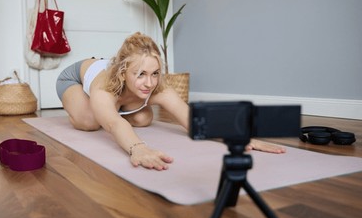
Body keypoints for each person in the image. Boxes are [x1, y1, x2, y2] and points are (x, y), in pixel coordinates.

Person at [55, 32, 285, 171]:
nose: (149, 83)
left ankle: (115, 106)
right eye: (141, 74)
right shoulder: (103, 86)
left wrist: (236, 135)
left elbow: (192, 120)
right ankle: (91, 106)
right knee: (91, 121)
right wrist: (138, 148)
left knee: (143, 118)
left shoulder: (156, 85)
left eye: (154, 73)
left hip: (119, 90)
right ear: (124, 71)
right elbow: (115, 124)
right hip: (74, 77)